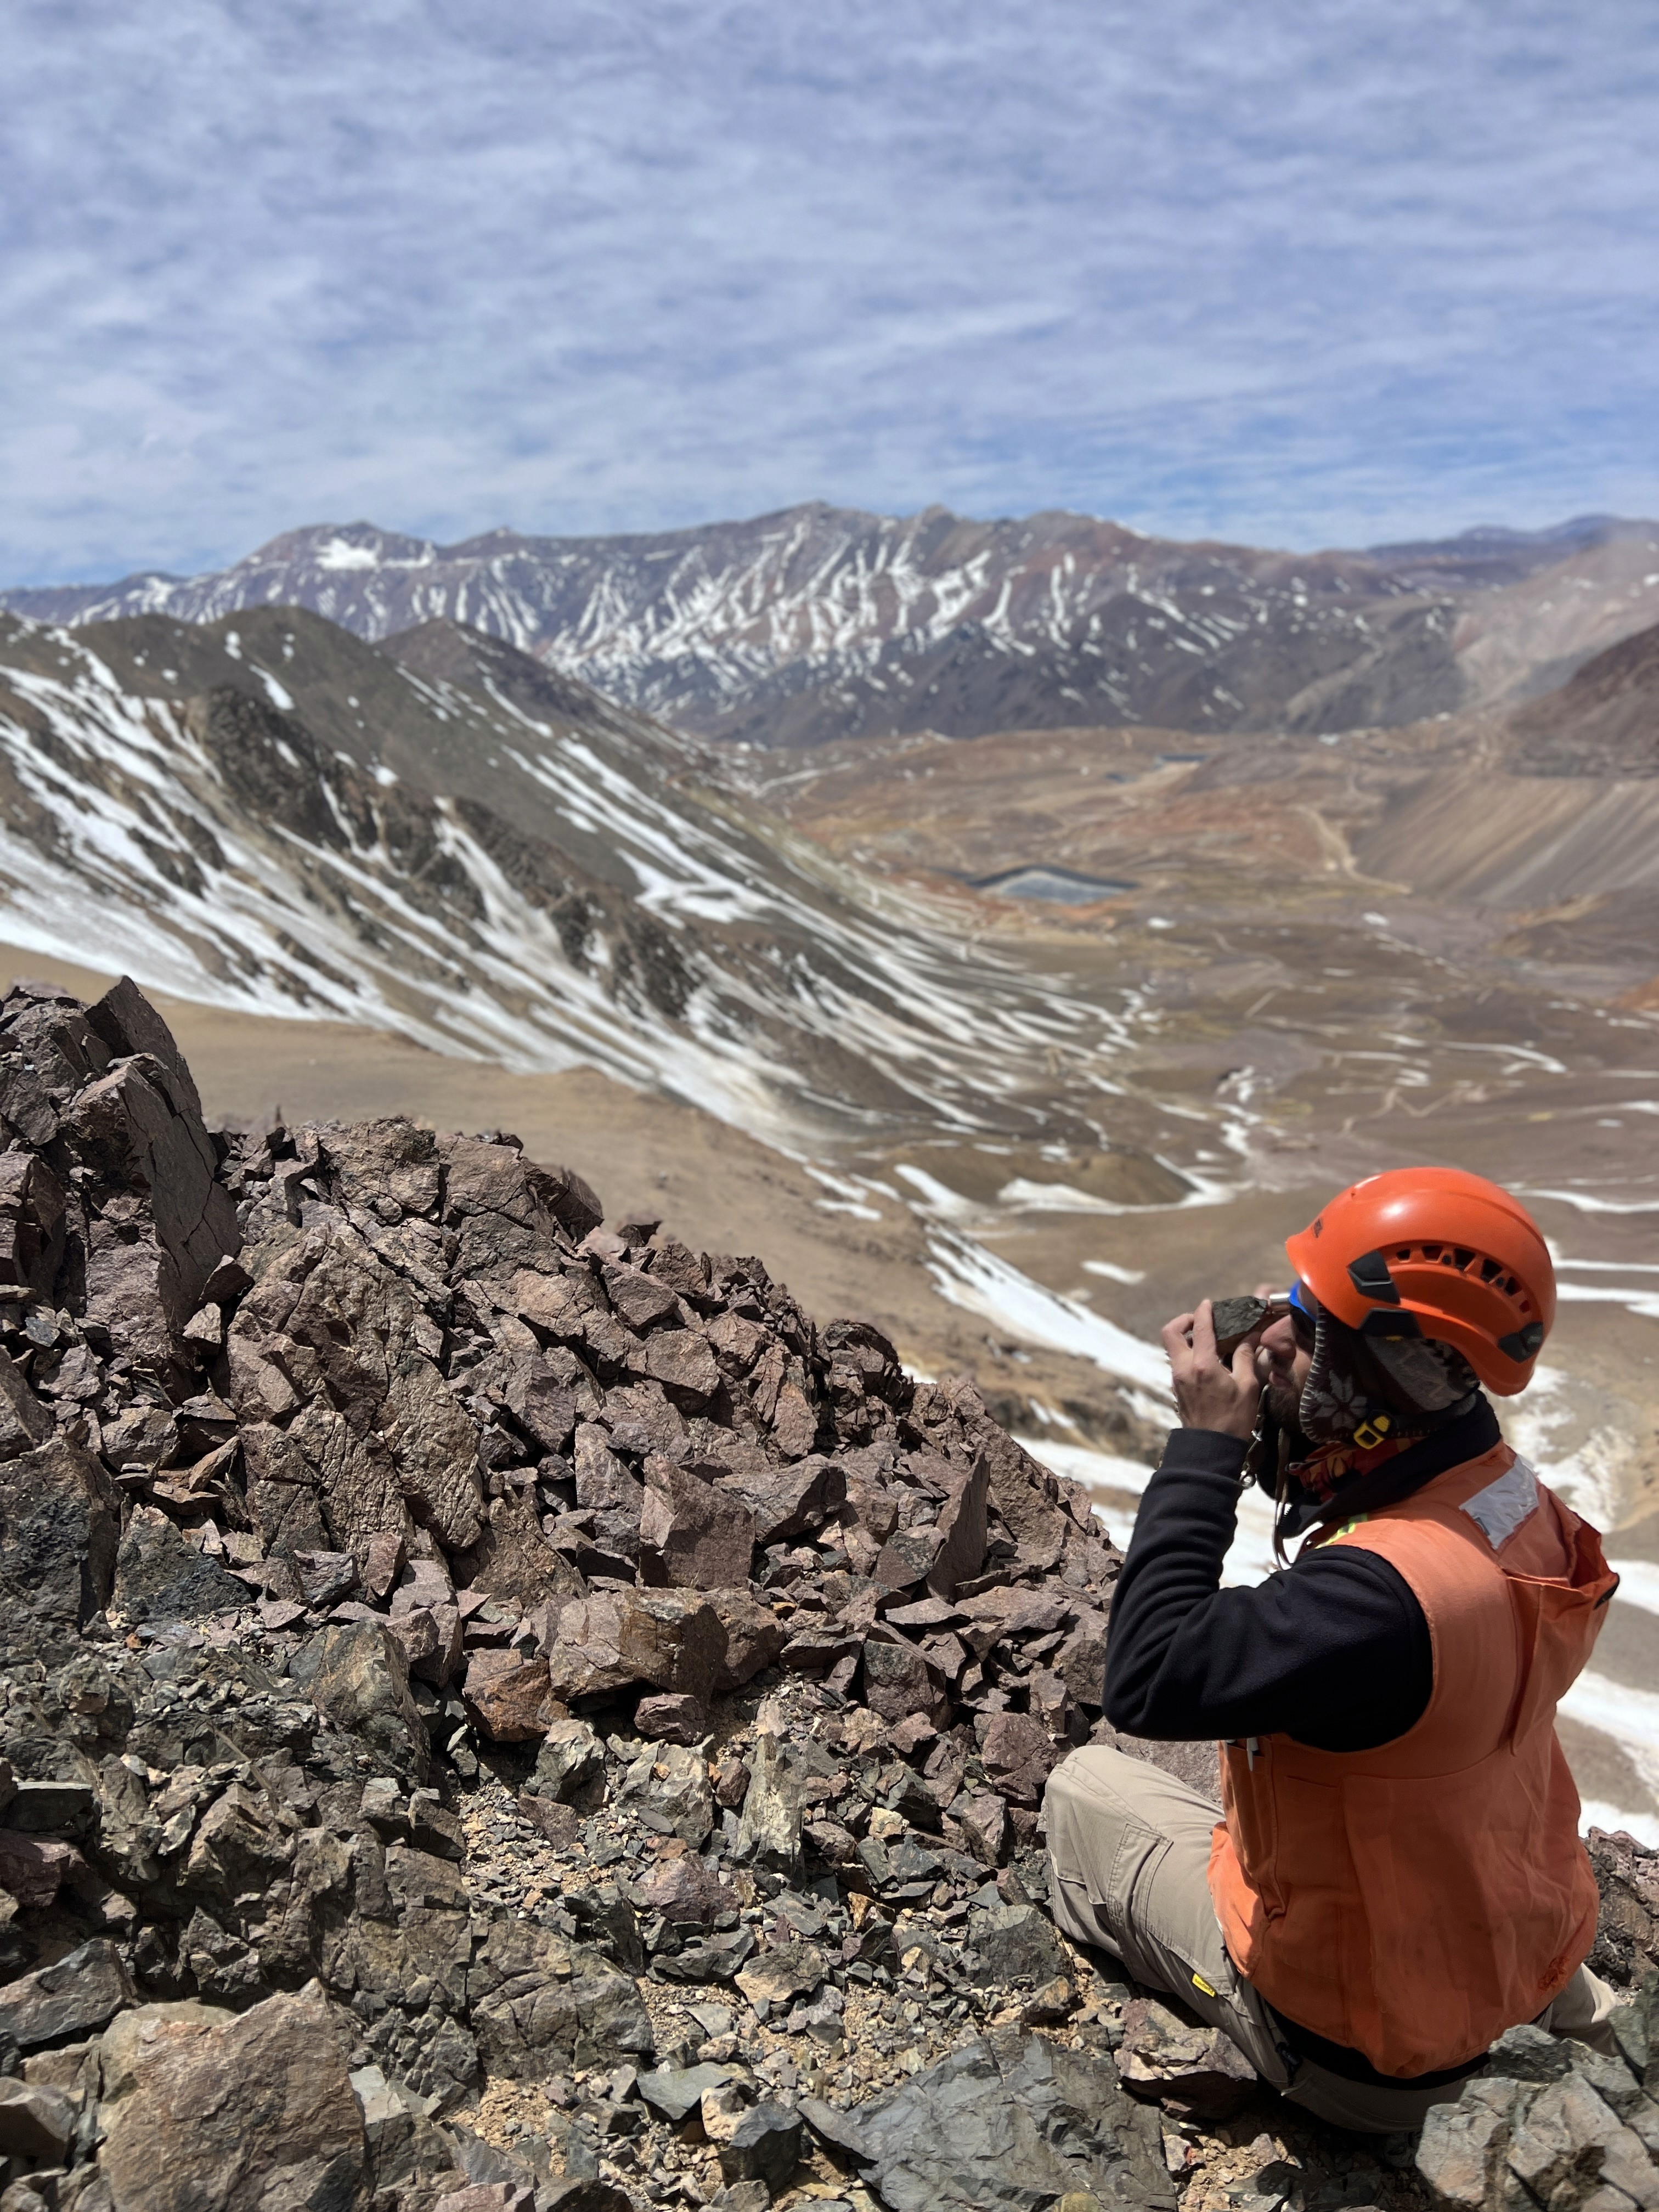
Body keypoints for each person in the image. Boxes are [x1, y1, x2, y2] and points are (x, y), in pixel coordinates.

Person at [1044, 1165, 1621, 2134]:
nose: (1270, 1338)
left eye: (1308, 1330)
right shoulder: (1512, 1500)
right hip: (1533, 1966)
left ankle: (1307, 2062)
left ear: (1385, 1382)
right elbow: (1369, 1481)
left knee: (1087, 1792)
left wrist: (1205, 1447)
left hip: (1373, 2053)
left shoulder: (1372, 1607)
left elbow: (1144, 1676)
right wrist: (1306, 1403)